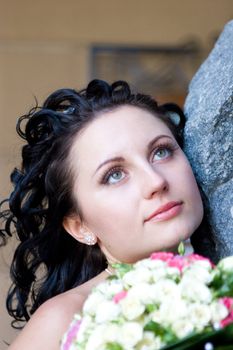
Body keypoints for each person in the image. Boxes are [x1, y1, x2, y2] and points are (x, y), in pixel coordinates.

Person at [0, 79, 210, 349]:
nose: (156, 182)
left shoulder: (216, 283)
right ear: (80, 226)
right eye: (114, 175)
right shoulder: (65, 322)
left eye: (161, 152)